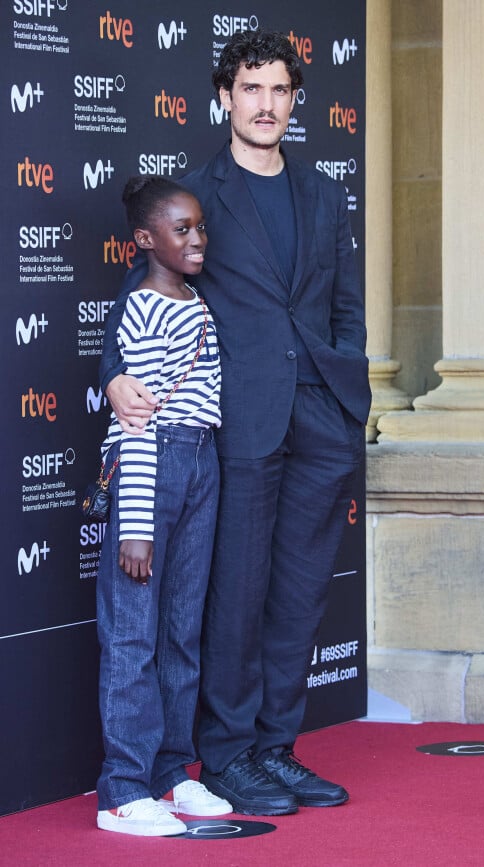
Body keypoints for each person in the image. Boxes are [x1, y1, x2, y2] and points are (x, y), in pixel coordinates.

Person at [100, 30, 371, 817]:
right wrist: (112, 375)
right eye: (250, 89)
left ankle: (275, 747)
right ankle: (224, 755)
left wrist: (347, 387)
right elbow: (136, 301)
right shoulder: (195, 196)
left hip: (320, 421)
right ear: (225, 98)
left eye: (279, 90)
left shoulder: (324, 192)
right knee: (237, 597)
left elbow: (343, 305)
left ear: (295, 100)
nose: (265, 105)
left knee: (297, 596)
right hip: (238, 427)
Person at [95, 175, 232, 836]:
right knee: (133, 634)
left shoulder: (195, 299)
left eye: (201, 226)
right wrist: (138, 525)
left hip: (202, 459)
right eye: (182, 229)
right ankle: (123, 787)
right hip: (157, 465)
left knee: (181, 629)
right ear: (145, 240)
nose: (198, 238)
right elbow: (137, 421)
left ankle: (173, 774)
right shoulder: (145, 307)